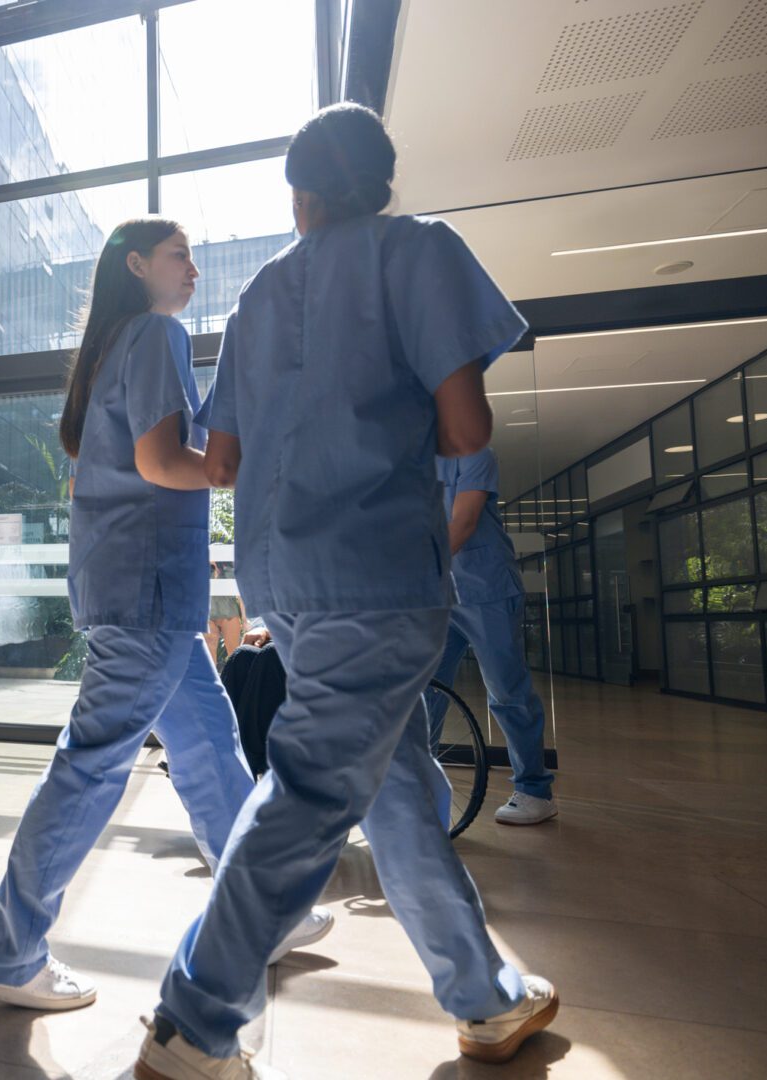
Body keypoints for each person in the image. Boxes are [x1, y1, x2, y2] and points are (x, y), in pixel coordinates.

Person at [137, 105, 556, 1080]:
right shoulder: (416, 252)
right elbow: (465, 430)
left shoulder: (254, 300)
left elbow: (227, 460)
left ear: (300, 193)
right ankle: (192, 1023)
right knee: (316, 784)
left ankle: (481, 996)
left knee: (395, 780)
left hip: (287, 577)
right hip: (375, 571)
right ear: (379, 181)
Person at [0, 218, 331, 1015]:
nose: (194, 269)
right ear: (136, 265)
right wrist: (242, 472)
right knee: (92, 762)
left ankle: (264, 914)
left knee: (207, 747)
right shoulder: (156, 334)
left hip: (133, 584)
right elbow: (161, 463)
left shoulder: (113, 348)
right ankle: (7, 949)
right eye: (179, 256)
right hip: (146, 590)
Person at [425, 448, 557, 825]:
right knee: (426, 691)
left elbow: (463, 522)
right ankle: (423, 785)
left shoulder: (473, 453)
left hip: (487, 590)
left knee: (507, 691)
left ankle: (535, 791)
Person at [204, 561, 247, 666]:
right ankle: (212, 680)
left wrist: (245, 620)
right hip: (209, 614)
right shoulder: (204, 570)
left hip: (229, 614)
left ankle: (236, 679)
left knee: (234, 652)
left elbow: (240, 595)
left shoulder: (229, 570)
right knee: (209, 651)